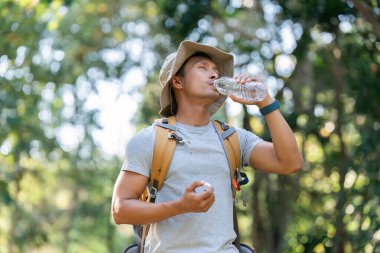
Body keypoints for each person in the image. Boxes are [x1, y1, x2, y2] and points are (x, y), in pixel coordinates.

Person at [111, 40, 303, 253]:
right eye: (202, 68)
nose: (214, 75)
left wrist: (264, 101)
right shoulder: (150, 139)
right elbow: (120, 210)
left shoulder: (233, 138)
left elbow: (290, 163)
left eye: (215, 71)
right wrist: (179, 207)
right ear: (177, 81)